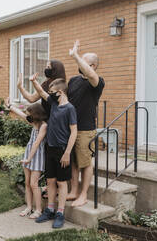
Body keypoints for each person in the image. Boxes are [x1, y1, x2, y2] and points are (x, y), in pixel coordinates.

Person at [31, 74, 77, 229]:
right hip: (49, 148)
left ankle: (60, 213)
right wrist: (33, 81)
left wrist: (67, 153)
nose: (50, 94)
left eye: (52, 92)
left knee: (61, 182)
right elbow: (42, 93)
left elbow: (74, 132)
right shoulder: (53, 104)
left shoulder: (70, 109)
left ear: (61, 92)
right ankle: (50, 209)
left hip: (62, 151)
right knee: (50, 180)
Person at [66, 40, 105, 207]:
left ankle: (83, 195)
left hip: (85, 130)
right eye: (79, 59)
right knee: (73, 162)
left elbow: (90, 75)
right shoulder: (73, 80)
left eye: (84, 61)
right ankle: (74, 191)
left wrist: (75, 55)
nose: (79, 63)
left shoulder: (97, 82)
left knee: (85, 163)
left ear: (93, 65)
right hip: (71, 128)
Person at [4, 99, 48, 219]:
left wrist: (28, 158)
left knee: (34, 184)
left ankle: (38, 210)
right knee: (27, 183)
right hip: (28, 153)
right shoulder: (34, 123)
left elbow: (37, 143)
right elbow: (22, 114)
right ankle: (29, 207)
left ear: (36, 114)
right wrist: (10, 106)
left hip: (36, 155)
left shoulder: (44, 126)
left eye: (30, 114)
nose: (28, 116)